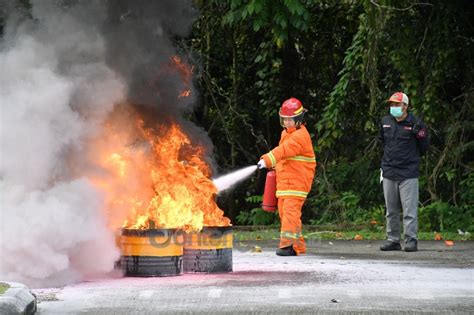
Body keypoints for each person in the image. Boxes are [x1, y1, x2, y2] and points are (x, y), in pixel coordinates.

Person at [257, 97, 316, 256]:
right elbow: (284, 155)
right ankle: (298, 246)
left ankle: (287, 246)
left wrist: (268, 160)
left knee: (290, 213)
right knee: (285, 213)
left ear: (299, 119)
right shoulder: (286, 133)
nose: (287, 122)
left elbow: (284, 151)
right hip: (286, 183)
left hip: (297, 183)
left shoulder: (300, 136)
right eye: (285, 119)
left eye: (291, 119)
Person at [378, 92, 429, 252]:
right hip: (389, 171)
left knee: (409, 210)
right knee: (390, 210)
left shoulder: (416, 123)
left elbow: (424, 147)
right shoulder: (385, 121)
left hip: (408, 173)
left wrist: (410, 160)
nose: (393, 107)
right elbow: (382, 142)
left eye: (397, 104)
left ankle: (411, 240)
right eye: (391, 104)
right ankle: (393, 240)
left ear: (405, 106)